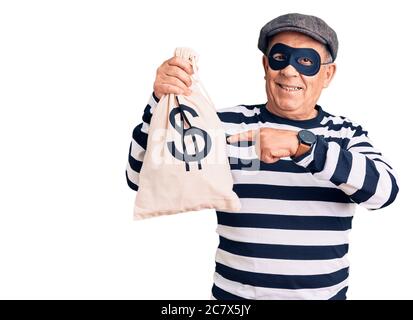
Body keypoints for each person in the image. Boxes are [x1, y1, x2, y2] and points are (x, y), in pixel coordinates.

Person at [126, 13, 399, 300]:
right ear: (266, 65)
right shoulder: (225, 126)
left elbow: (385, 192)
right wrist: (158, 101)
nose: (290, 71)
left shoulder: (345, 134)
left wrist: (304, 147)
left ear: (327, 74)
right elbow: (140, 178)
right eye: (280, 57)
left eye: (306, 61)